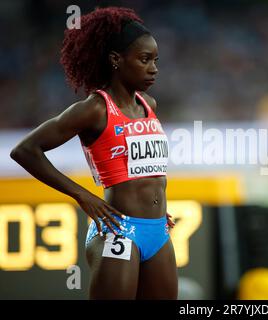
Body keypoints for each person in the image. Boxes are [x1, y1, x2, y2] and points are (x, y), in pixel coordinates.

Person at [10, 7, 177, 300]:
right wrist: (83, 195)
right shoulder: (95, 109)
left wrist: (156, 205)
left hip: (159, 230)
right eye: (144, 59)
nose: (154, 68)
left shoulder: (149, 104)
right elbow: (25, 150)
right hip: (119, 231)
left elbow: (145, 169)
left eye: (155, 60)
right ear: (116, 60)